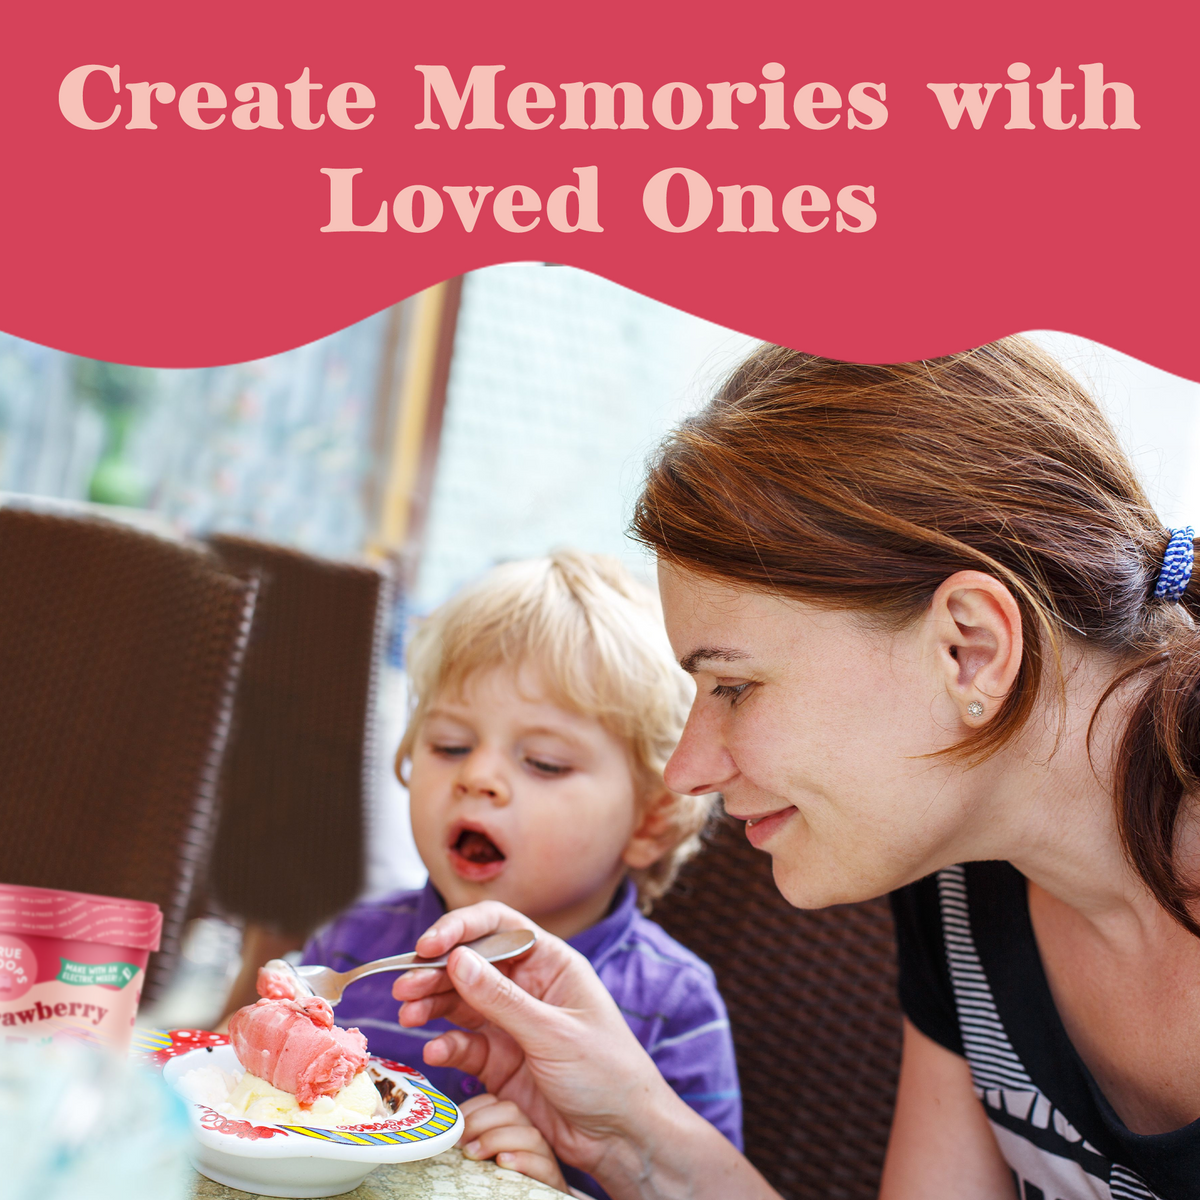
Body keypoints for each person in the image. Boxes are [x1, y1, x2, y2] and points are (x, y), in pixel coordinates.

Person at [389, 338, 1200, 1200]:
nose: (686, 772)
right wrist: (634, 1133)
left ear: (970, 649)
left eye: (734, 687)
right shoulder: (963, 885)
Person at [300, 550, 740, 1196]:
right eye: (450, 745)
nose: (478, 775)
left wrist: (549, 1191)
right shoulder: (347, 954)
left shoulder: (673, 1009)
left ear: (650, 819)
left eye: (544, 762)